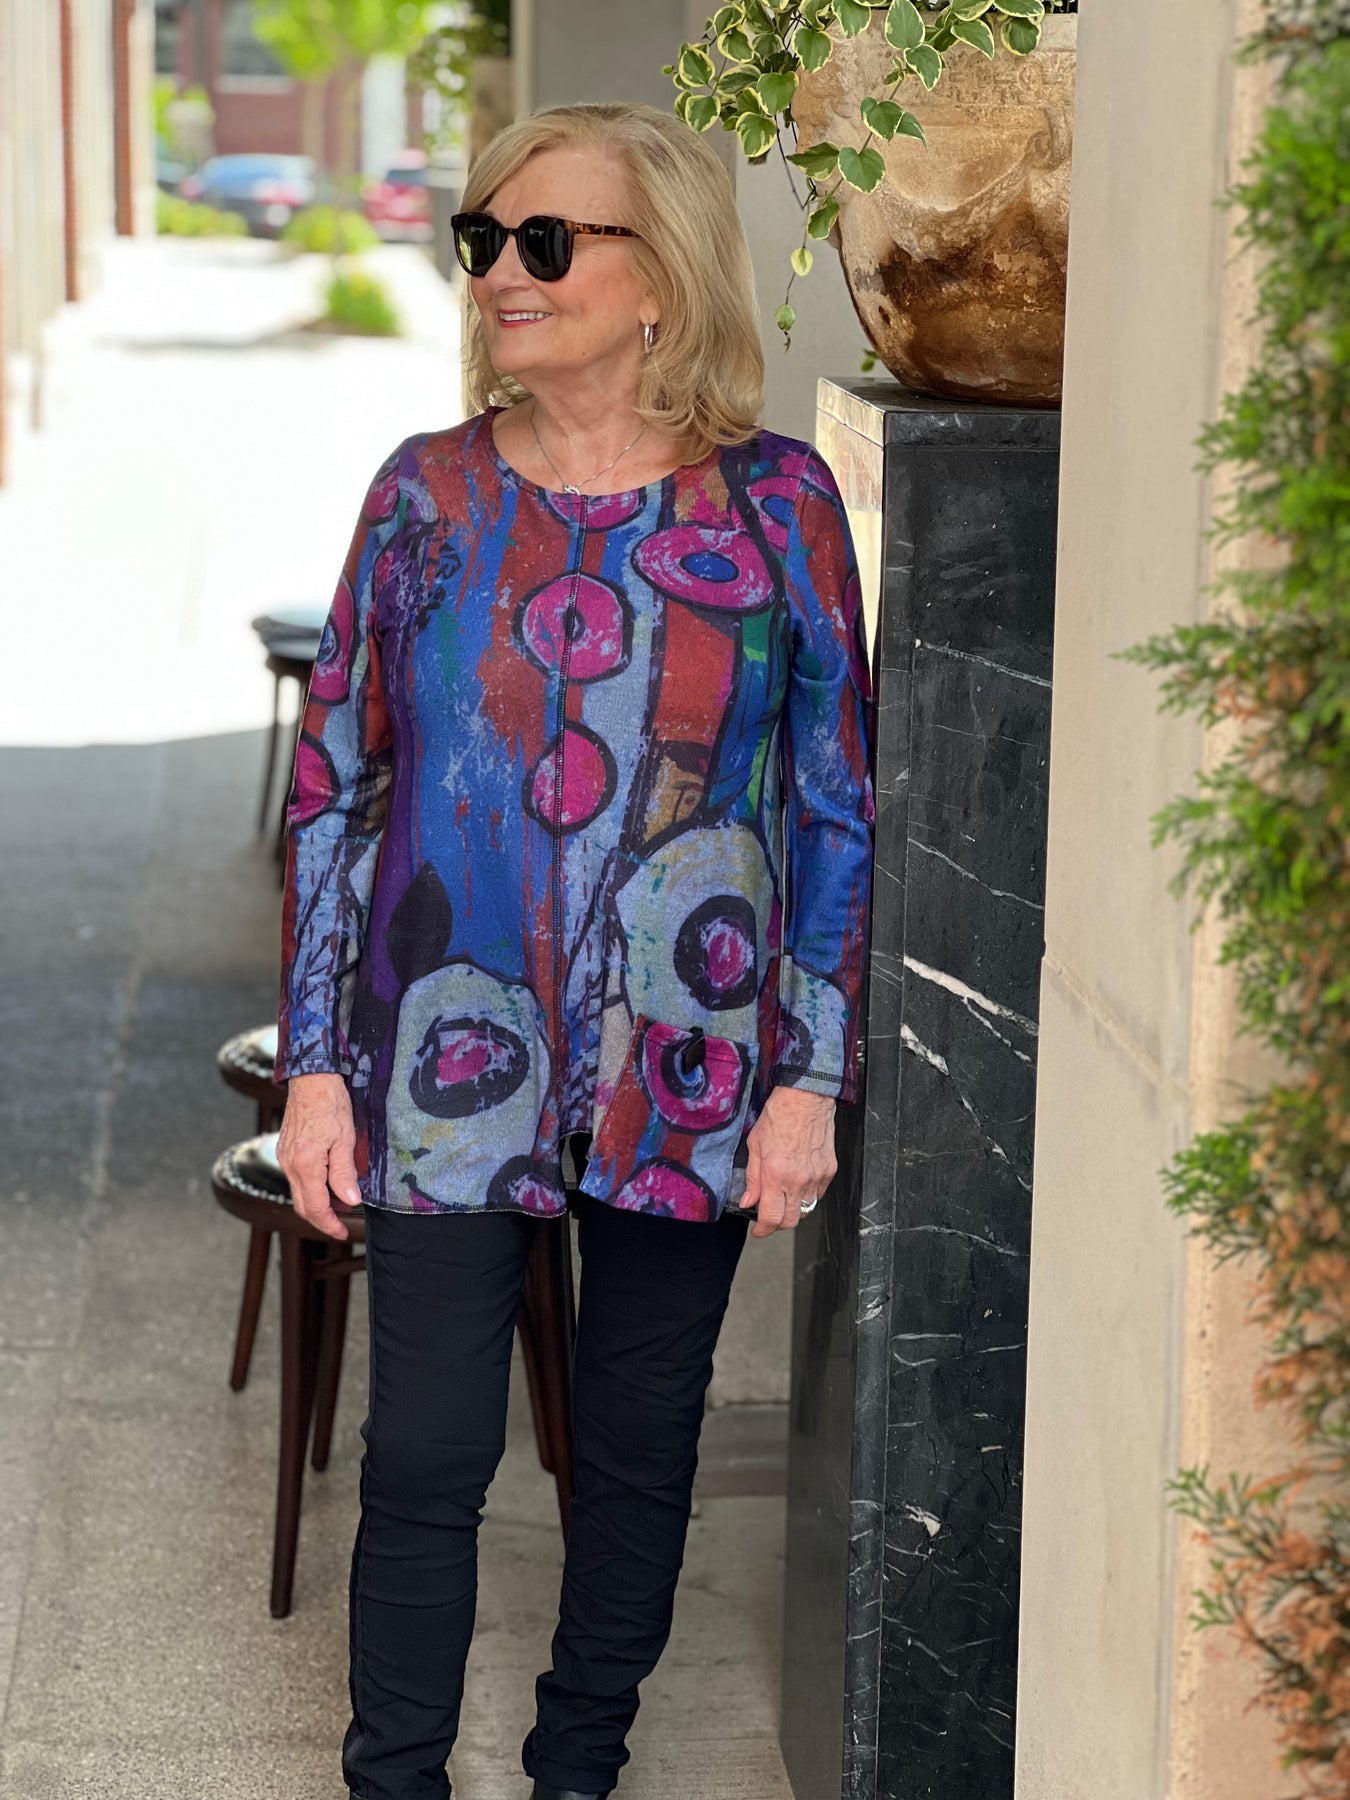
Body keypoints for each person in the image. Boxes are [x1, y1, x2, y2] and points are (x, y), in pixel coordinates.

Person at [275, 98, 874, 1800]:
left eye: (546, 240)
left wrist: (807, 1078)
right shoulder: (425, 499)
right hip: (436, 1055)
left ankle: (576, 1767)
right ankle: (394, 1779)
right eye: (485, 239)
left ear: (660, 274)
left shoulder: (779, 506)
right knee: (423, 1457)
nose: (502, 274)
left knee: (634, 1452)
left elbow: (834, 803)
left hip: (689, 1058)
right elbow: (335, 790)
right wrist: (316, 1067)